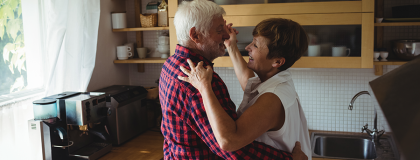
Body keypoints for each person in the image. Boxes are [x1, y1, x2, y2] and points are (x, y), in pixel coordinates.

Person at [159, 0, 308, 159]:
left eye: (256, 45)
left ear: (277, 62)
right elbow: (232, 149)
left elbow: (231, 140)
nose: (247, 47)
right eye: (219, 30)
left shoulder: (170, 64)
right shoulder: (199, 80)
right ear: (195, 35)